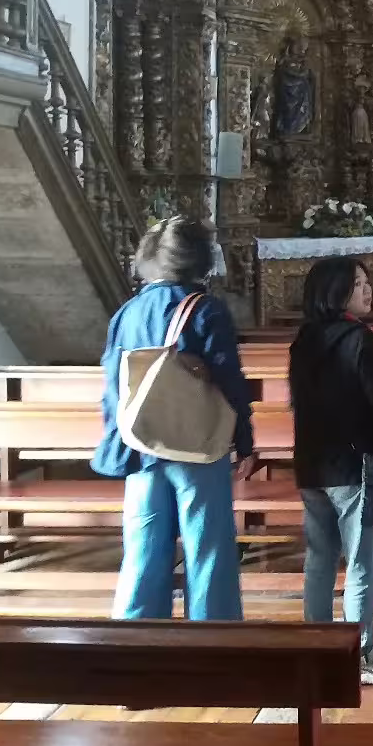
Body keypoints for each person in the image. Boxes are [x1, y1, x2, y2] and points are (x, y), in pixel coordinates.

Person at [92, 217, 257, 621]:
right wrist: (245, 441)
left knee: (143, 545)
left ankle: (136, 637)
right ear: (202, 260)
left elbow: (113, 385)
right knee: (208, 546)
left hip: (141, 443)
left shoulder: (127, 313)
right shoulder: (206, 310)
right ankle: (212, 637)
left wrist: (117, 437)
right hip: (196, 444)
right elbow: (230, 380)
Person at [290, 257, 373, 686]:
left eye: (367, 282)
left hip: (312, 463)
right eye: (357, 284)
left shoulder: (305, 339)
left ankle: (316, 650)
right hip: (357, 464)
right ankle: (361, 658)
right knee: (363, 562)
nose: (368, 290)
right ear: (336, 292)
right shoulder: (364, 341)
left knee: (320, 558)